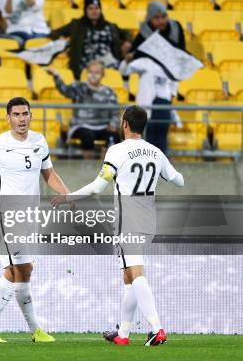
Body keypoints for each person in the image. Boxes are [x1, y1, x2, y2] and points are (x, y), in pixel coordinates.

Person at [52, 105, 185, 347]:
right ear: (142, 126)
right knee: (128, 275)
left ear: (125, 124)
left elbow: (97, 186)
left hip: (128, 221)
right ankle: (123, 333)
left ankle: (157, 329)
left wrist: (69, 196)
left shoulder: (117, 151)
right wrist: (167, 167)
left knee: (136, 273)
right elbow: (179, 181)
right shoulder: (155, 152)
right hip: (148, 221)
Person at [0, 97, 68, 343]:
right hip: (8, 213)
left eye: (25, 114)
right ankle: (0, 326)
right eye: (16, 114)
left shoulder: (40, 141)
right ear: (7, 118)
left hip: (31, 215)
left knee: (20, 270)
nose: (21, 119)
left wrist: (65, 193)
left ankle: (15, 328)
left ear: (31, 116)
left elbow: (48, 173)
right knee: (20, 267)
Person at [127, 1, 185, 153]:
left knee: (162, 127)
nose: (161, 21)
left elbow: (181, 54)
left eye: (164, 16)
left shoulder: (176, 28)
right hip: (150, 86)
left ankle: (161, 162)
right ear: (150, 20)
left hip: (167, 82)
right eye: (157, 18)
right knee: (150, 130)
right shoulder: (144, 32)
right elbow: (134, 55)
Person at [47, 61, 121, 159]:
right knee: (87, 136)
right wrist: (56, 75)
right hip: (81, 125)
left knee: (113, 136)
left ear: (102, 74)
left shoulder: (109, 92)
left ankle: (104, 169)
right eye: (91, 72)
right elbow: (64, 89)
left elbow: (115, 112)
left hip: (103, 126)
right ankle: (88, 168)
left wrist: (113, 124)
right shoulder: (79, 87)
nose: (93, 75)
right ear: (87, 73)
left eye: (97, 72)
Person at [49, 0, 131, 80]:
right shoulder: (76, 25)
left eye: (96, 8)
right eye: (90, 8)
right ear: (85, 10)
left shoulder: (110, 26)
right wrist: (60, 38)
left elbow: (127, 33)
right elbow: (54, 33)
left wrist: (128, 42)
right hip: (86, 61)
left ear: (100, 10)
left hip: (108, 59)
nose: (94, 11)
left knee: (128, 68)